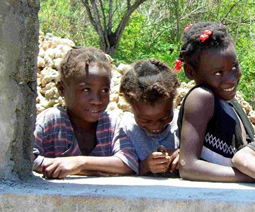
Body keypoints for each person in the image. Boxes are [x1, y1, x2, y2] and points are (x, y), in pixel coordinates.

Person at [32, 47, 138, 179]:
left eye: (104, 90)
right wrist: (91, 170)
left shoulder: (111, 124)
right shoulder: (52, 121)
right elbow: (26, 158)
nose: (97, 100)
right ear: (62, 89)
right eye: (86, 90)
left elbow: (129, 162)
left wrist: (80, 163)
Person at [175, 22, 255, 182]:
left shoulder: (232, 104)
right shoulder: (201, 97)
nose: (230, 79)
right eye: (218, 72)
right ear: (190, 72)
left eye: (234, 67)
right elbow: (188, 166)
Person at [119, 58, 181, 176]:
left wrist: (184, 155)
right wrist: (145, 166)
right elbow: (124, 169)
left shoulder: (182, 125)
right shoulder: (125, 130)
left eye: (164, 118)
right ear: (131, 108)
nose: (155, 126)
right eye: (145, 120)